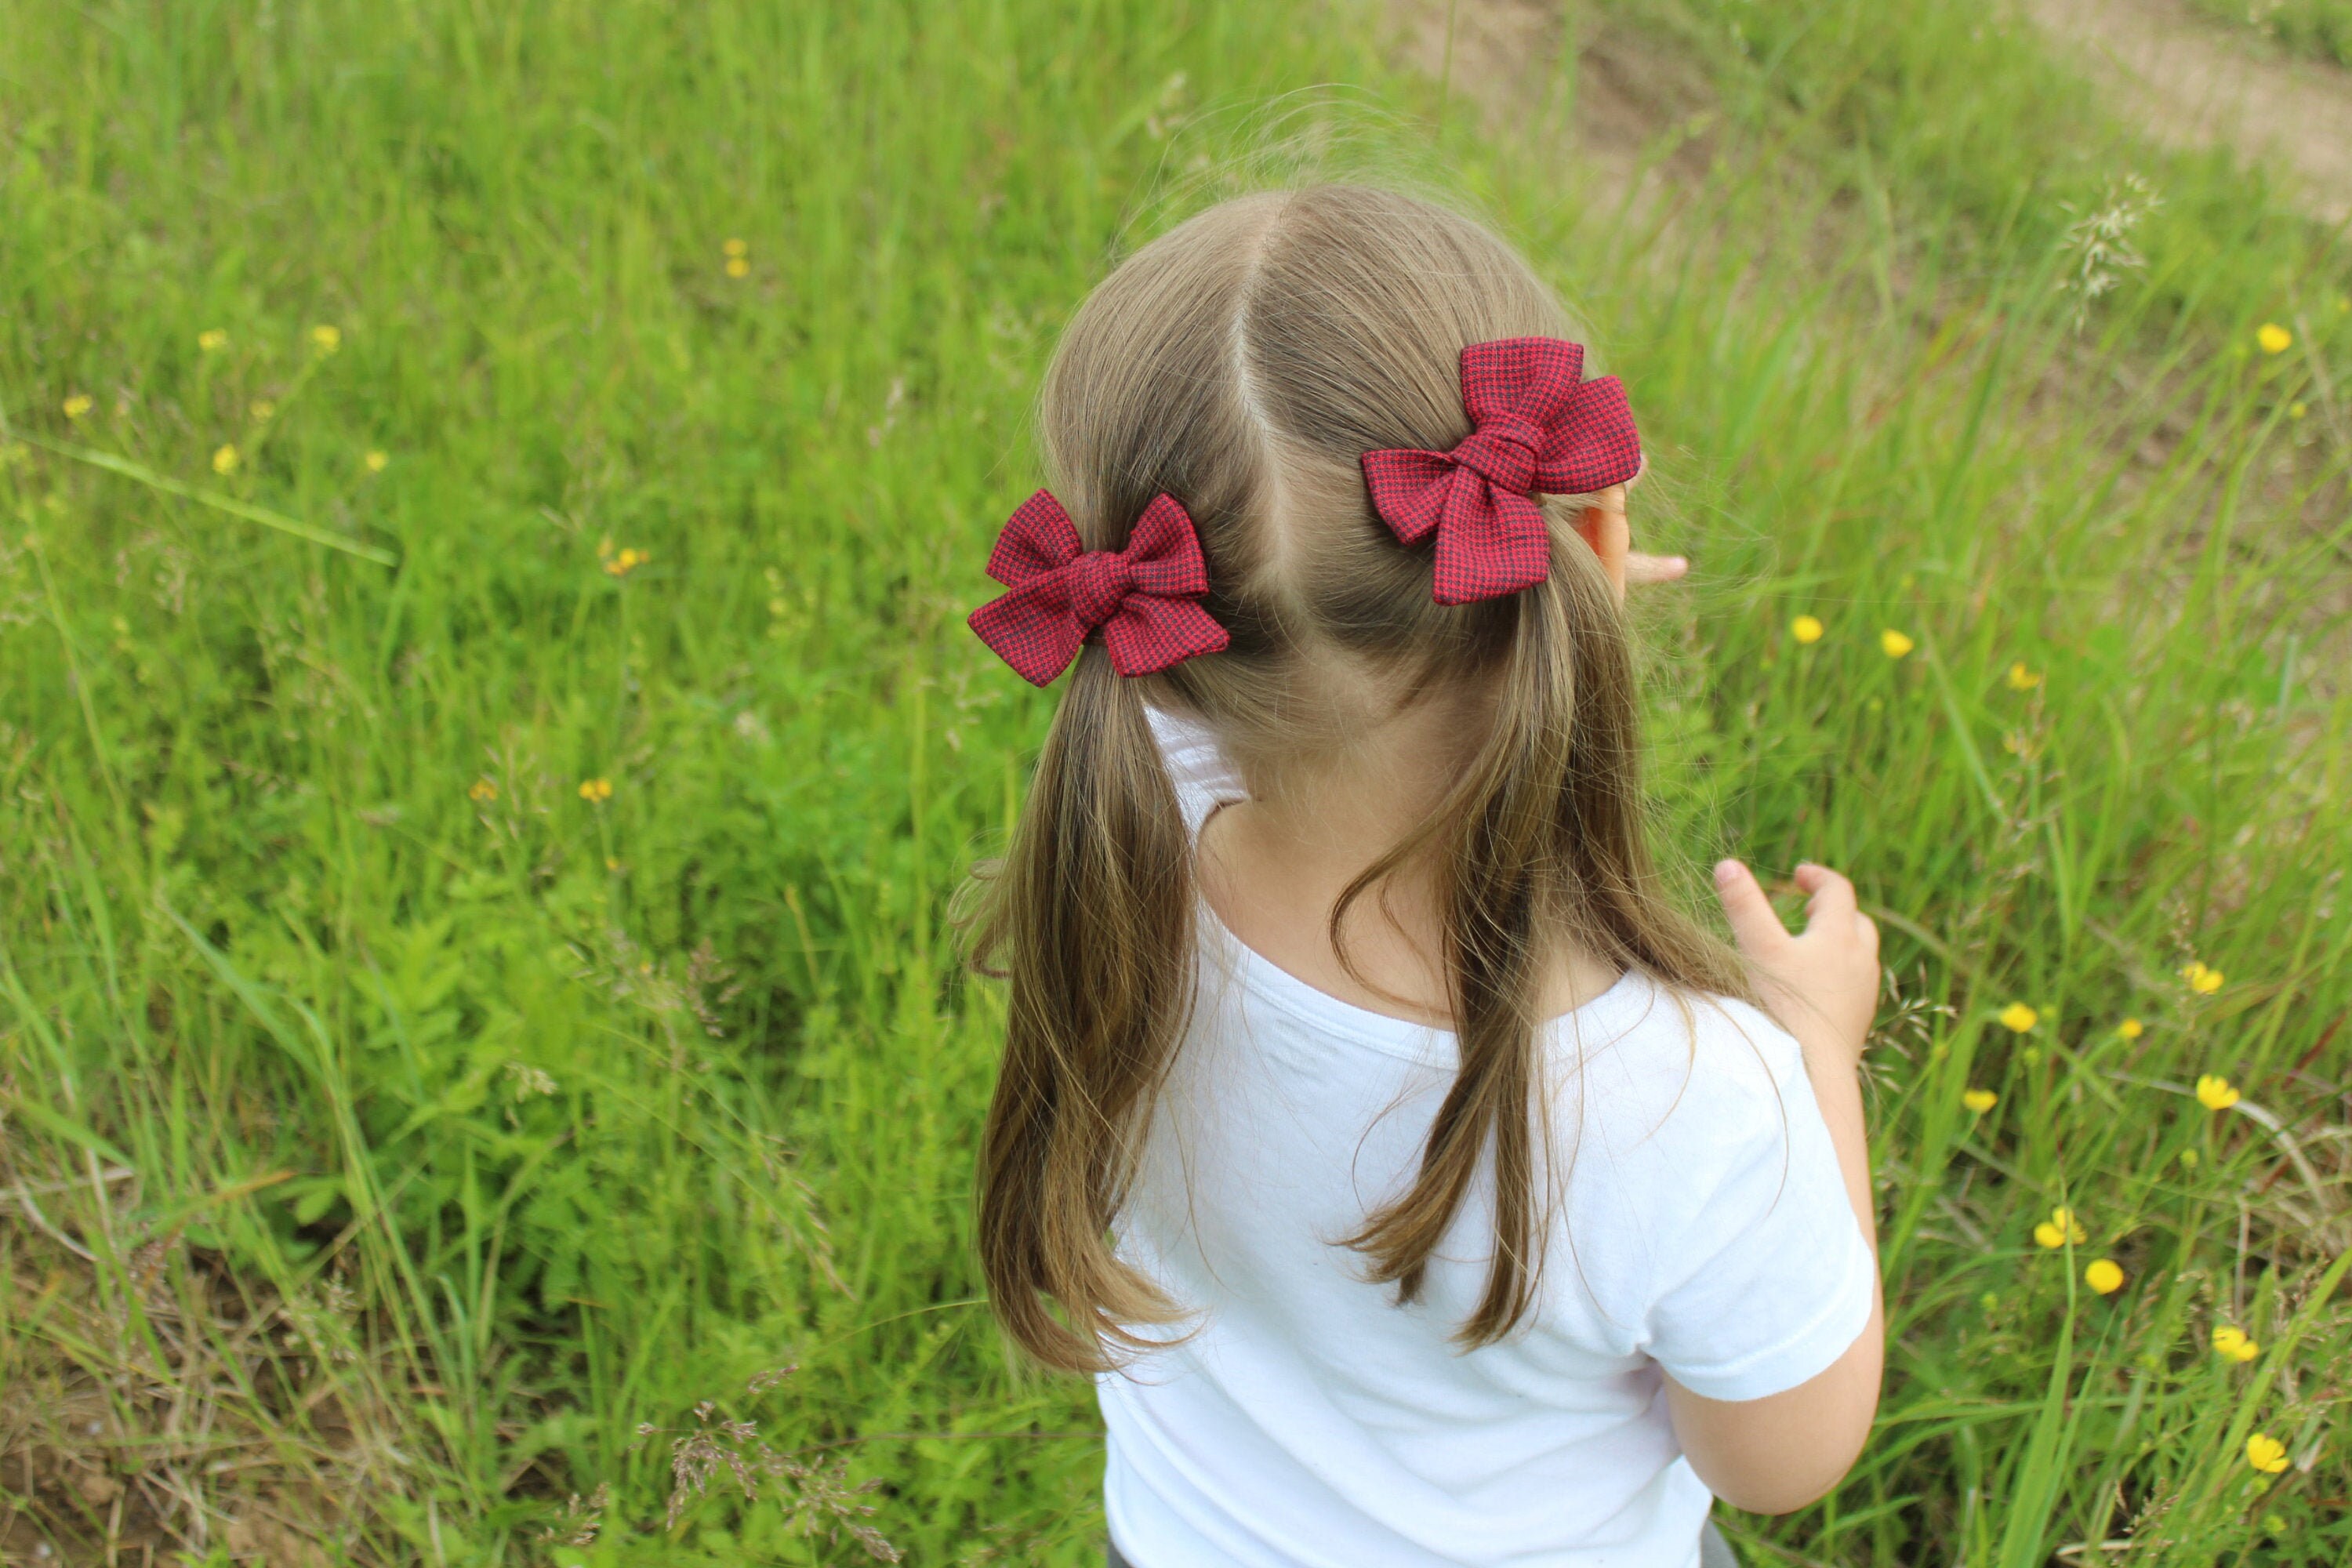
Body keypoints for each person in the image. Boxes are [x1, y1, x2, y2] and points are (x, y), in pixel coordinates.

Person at [963, 184, 1883, 1568]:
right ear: (1578, 544)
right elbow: (1781, 1461)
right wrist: (1817, 1049)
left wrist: (1540, 599)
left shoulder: (1127, 826)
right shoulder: (1696, 1102)